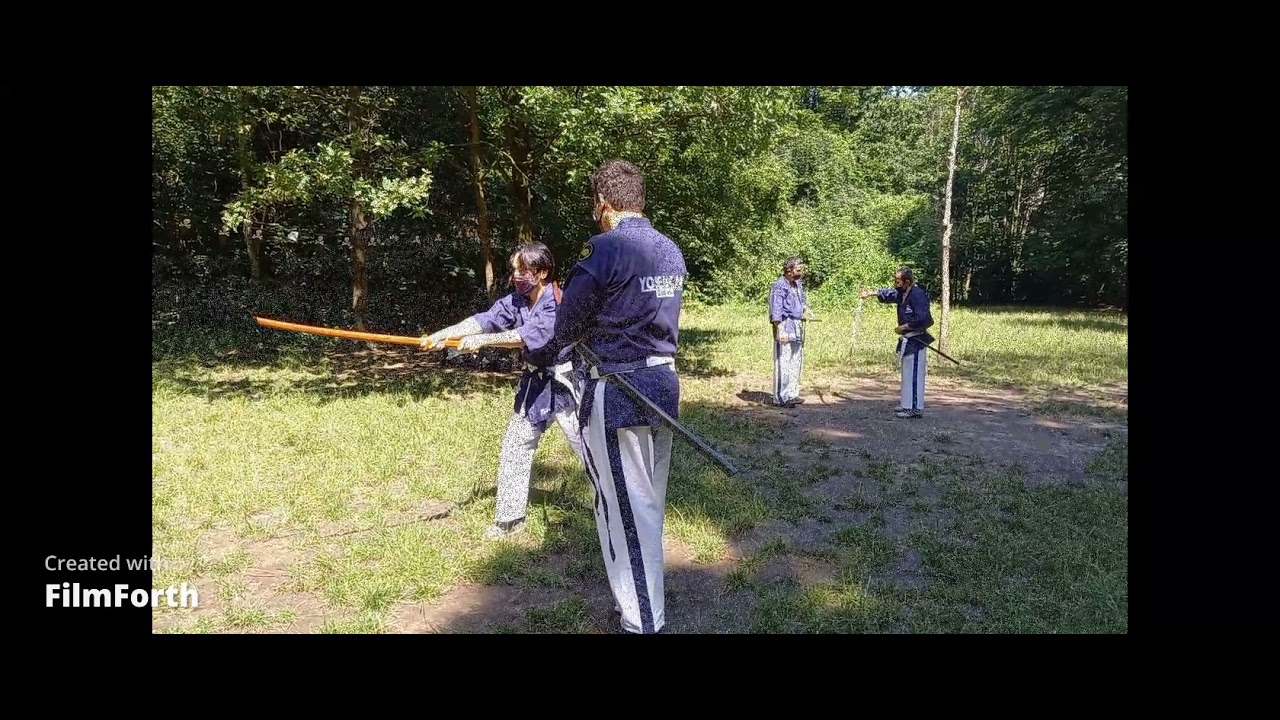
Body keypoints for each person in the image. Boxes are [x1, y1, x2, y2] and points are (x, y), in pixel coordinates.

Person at [553, 159, 686, 635]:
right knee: (645, 504)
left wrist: (539, 353)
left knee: (629, 511)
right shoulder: (670, 249)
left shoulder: (604, 248)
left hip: (619, 389)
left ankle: (643, 622)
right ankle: (632, 601)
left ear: (603, 204)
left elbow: (567, 324)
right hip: (663, 386)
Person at [421, 242, 586, 539]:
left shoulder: (557, 303)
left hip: (565, 388)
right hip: (534, 388)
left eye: (523, 270)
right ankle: (509, 519)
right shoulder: (517, 301)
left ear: (542, 272)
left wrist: (484, 342)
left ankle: (618, 506)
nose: (516, 275)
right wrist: (443, 335)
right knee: (515, 447)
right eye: (514, 270)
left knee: (589, 451)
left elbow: (525, 337)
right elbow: (484, 320)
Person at [859, 266, 934, 419]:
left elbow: (925, 319)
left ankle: (914, 408)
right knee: (907, 374)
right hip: (908, 339)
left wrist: (904, 327)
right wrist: (872, 293)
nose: (895, 283)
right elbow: (890, 294)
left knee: (914, 375)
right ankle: (907, 404)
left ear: (907, 281)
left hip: (917, 339)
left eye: (898, 281)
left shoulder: (917, 295)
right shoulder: (903, 292)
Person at [768, 255, 812, 408]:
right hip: (785, 325)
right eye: (798, 269)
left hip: (797, 326)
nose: (801, 272)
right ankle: (780, 396)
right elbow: (776, 309)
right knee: (783, 361)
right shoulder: (779, 286)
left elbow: (801, 302)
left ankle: (792, 393)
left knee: (796, 360)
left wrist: (806, 309)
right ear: (789, 271)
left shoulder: (798, 284)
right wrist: (779, 328)